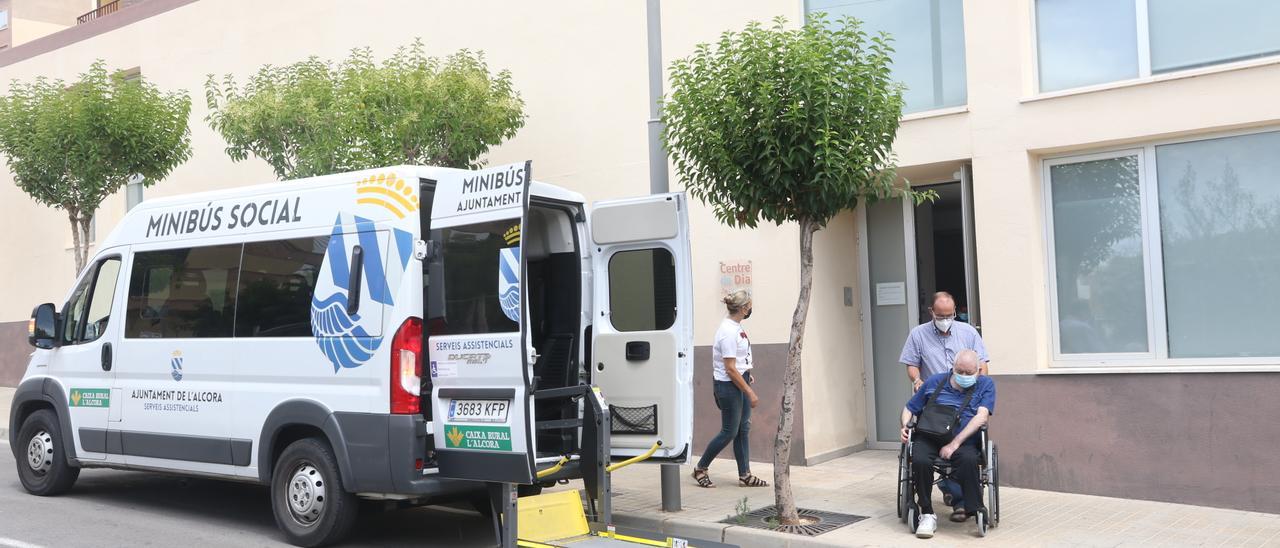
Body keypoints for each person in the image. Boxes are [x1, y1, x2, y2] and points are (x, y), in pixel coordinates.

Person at [900, 291, 990, 511]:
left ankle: (960, 500)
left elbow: (983, 365)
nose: (945, 320)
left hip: (964, 402)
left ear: (955, 311)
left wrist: (977, 386)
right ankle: (938, 497)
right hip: (933, 402)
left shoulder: (968, 332)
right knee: (931, 443)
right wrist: (918, 379)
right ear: (932, 312)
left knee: (963, 449)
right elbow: (911, 364)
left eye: (950, 315)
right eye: (940, 316)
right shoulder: (918, 334)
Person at [900, 350, 995, 539]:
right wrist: (905, 426)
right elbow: (910, 407)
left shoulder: (986, 384)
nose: (964, 376)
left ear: (979, 370)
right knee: (919, 459)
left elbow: (981, 417)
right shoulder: (935, 381)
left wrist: (954, 444)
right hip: (929, 436)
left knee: (968, 460)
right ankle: (926, 512)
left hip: (964, 441)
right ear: (953, 367)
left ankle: (975, 508)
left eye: (970, 373)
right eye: (960, 371)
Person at [691, 290, 768, 489]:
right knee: (729, 431)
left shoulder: (735, 327)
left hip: (738, 381)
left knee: (743, 429)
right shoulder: (727, 331)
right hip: (728, 386)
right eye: (749, 305)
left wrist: (746, 375)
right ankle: (701, 468)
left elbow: (737, 362)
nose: (751, 308)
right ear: (743, 308)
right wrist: (749, 391)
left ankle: (745, 475)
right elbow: (729, 368)